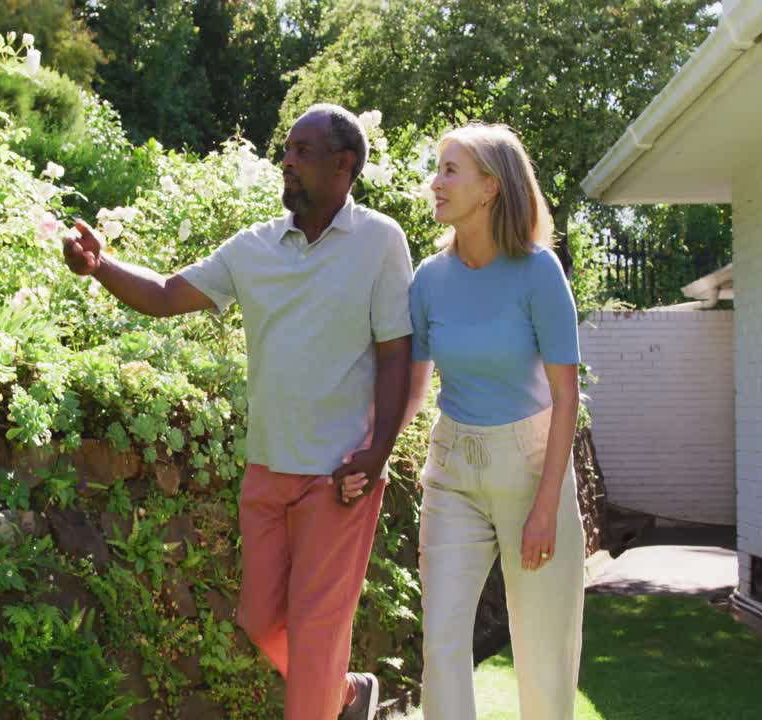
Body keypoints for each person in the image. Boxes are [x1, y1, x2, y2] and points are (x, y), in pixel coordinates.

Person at [63, 104, 413, 720]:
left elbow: (395, 355)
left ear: (343, 164)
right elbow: (168, 294)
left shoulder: (381, 242)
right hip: (267, 471)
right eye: (286, 149)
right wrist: (99, 266)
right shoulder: (252, 248)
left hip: (341, 479)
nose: (287, 160)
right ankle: (347, 696)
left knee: (313, 635)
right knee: (258, 621)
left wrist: (377, 452)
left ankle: (323, 697)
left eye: (303, 151)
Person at [342, 123, 583, 719]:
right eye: (438, 168)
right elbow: (416, 382)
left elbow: (566, 394)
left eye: (452, 169)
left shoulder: (538, 272)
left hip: (532, 471)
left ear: (491, 188)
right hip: (453, 470)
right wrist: (374, 449)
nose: (436, 181)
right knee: (442, 641)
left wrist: (547, 505)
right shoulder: (429, 279)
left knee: (543, 650)